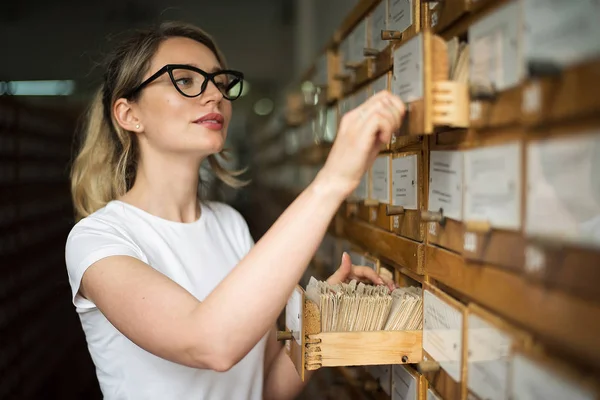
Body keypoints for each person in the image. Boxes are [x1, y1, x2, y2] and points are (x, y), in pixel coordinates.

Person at [66, 21, 405, 400]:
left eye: (220, 82)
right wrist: (334, 180)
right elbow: (210, 344)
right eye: (186, 80)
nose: (214, 95)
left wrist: (323, 316)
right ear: (129, 115)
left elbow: (267, 389)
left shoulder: (230, 225)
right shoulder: (98, 240)